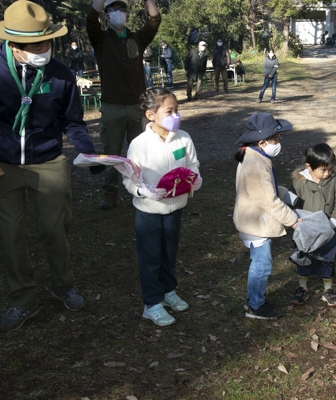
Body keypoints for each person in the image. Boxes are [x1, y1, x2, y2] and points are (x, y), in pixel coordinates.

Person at [0, 0, 104, 333]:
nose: (44, 50)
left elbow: (73, 121)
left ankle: (64, 286)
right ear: (13, 45)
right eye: (35, 46)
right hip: (4, 166)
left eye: (47, 42)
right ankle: (22, 300)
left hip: (48, 162)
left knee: (54, 229)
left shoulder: (60, 74)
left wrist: (89, 152)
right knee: (11, 235)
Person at [122, 88, 201, 326]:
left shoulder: (184, 138)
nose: (175, 115)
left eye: (177, 110)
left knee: (169, 251)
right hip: (149, 211)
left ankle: (168, 291)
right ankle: (152, 302)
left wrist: (195, 178)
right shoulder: (139, 144)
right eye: (169, 111)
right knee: (150, 256)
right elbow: (129, 178)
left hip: (176, 207)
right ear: (151, 115)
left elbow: (193, 164)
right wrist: (141, 190)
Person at [86, 0, 161, 210]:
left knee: (143, 150)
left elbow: (155, 20)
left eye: (121, 9)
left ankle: (144, 188)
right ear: (106, 15)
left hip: (138, 106)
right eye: (113, 10)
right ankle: (111, 192)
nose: (118, 13)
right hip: (112, 106)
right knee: (113, 153)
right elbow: (90, 19)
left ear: (127, 14)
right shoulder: (100, 39)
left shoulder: (136, 38)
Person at [233, 112, 301, 319]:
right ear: (262, 142)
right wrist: (293, 220)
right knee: (262, 266)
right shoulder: (256, 165)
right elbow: (268, 200)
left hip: (252, 220)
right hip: (255, 223)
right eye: (276, 139)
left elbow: (263, 190)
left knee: (260, 264)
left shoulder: (254, 156)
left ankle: (256, 298)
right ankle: (255, 306)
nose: (278, 143)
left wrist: (285, 193)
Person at [290, 143, 336, 307]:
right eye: (323, 170)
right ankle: (302, 288)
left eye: (330, 169)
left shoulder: (335, 182)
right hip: (305, 231)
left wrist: (333, 222)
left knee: (327, 260)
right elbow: (291, 205)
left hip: (328, 230)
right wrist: (295, 222)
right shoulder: (298, 183)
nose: (327, 173)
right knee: (303, 258)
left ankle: (328, 290)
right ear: (309, 166)